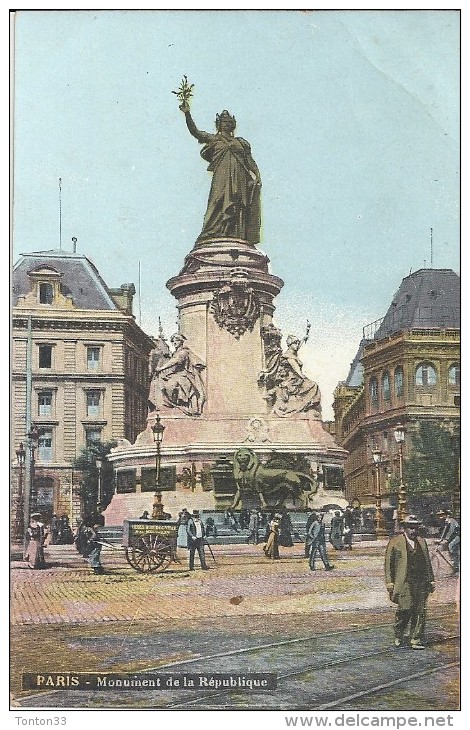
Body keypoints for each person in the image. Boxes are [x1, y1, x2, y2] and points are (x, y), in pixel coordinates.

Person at [179, 97, 261, 245]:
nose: (227, 124)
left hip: (240, 178)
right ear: (219, 124)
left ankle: (236, 235)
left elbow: (249, 161)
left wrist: (257, 174)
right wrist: (187, 114)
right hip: (222, 178)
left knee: (238, 205)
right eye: (224, 122)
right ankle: (212, 232)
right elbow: (196, 132)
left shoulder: (241, 143)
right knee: (217, 201)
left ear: (233, 125)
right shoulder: (214, 139)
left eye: (229, 122)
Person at [384, 514, 435, 649]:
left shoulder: (422, 542)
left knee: (420, 611)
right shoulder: (395, 542)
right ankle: (399, 634)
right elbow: (388, 564)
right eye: (410, 528)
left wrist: (431, 580)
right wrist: (389, 582)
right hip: (404, 581)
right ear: (404, 528)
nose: (413, 530)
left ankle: (415, 639)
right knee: (405, 608)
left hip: (420, 581)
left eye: (415, 527)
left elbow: (427, 562)